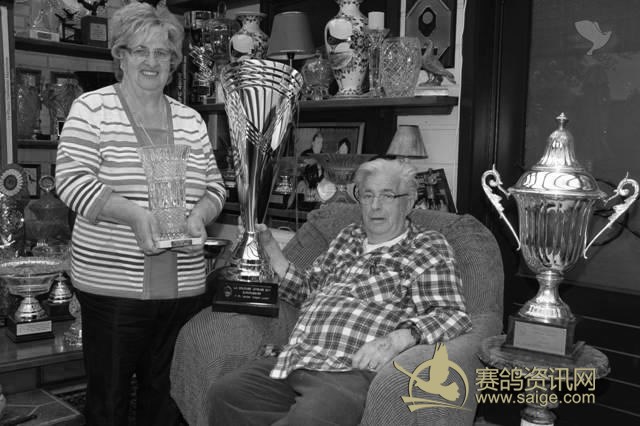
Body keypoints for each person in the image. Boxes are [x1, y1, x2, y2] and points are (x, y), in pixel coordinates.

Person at [55, 3, 226, 425]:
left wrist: (200, 215)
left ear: (173, 61)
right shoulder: (92, 109)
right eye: (140, 50)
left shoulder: (191, 120)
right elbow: (71, 181)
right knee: (109, 403)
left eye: (162, 52)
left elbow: (215, 187)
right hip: (114, 288)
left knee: (167, 404)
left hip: (183, 290)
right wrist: (133, 214)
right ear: (121, 56)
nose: (152, 61)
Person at [207, 158, 471, 426]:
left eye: (387, 196)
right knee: (226, 394)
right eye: (368, 195)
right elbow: (308, 288)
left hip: (349, 369)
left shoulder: (426, 246)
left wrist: (396, 340)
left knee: (310, 418)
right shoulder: (348, 237)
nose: (375, 205)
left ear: (410, 201)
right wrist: (269, 249)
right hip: (298, 356)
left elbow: (451, 314)